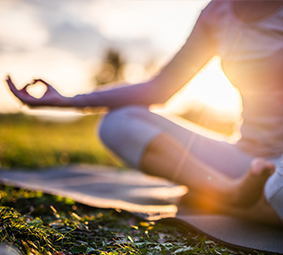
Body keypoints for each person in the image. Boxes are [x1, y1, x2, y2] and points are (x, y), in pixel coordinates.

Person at [6, 0, 283, 226]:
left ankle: (236, 200)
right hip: (243, 160)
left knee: (278, 189)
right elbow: (160, 89)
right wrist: (68, 101)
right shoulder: (217, 13)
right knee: (119, 122)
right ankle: (227, 193)